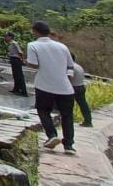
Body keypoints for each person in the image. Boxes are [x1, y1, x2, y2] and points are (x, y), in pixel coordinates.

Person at [26, 21, 76, 153]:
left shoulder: (33, 45)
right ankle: (69, 145)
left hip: (44, 85)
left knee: (43, 110)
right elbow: (70, 66)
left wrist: (26, 62)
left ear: (35, 32)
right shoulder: (62, 47)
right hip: (65, 88)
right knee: (67, 115)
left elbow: (34, 64)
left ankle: (52, 135)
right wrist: (68, 79)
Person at [70, 53, 92, 127]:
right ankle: (88, 120)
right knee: (83, 105)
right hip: (81, 86)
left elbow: (69, 78)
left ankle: (69, 120)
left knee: (66, 105)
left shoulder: (71, 67)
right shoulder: (78, 66)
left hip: (74, 88)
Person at [5, 31, 28, 96]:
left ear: (10, 37)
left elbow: (20, 52)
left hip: (16, 60)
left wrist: (23, 60)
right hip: (13, 59)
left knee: (19, 76)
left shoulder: (14, 43)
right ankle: (16, 89)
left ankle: (24, 92)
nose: (6, 37)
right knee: (15, 75)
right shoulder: (10, 43)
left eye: (7, 36)